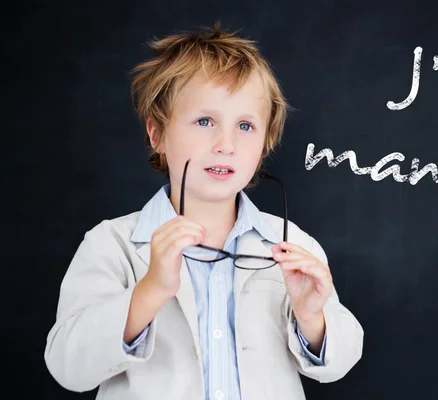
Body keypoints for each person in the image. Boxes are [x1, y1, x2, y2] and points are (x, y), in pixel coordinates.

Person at [44, 24, 363, 400]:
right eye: (204, 121)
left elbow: (341, 361)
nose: (225, 144)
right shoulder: (111, 244)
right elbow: (68, 366)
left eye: (245, 126)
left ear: (264, 145)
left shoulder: (294, 245)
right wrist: (149, 290)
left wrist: (312, 318)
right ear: (156, 134)